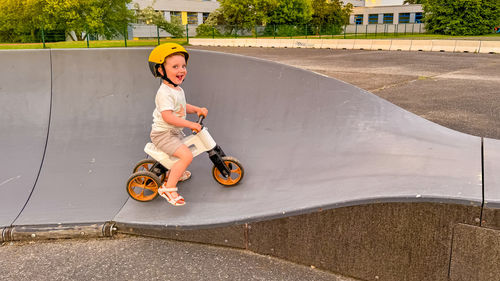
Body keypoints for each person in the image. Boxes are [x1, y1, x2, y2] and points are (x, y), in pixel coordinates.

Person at [148, 43, 208, 206]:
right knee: (186, 155)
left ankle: (175, 172)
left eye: (183, 66)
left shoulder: (177, 90)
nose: (181, 70)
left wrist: (196, 110)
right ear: (161, 70)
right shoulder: (164, 93)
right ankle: (168, 188)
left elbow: (181, 107)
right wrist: (190, 124)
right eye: (175, 66)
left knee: (185, 151)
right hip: (163, 135)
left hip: (173, 133)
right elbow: (168, 117)